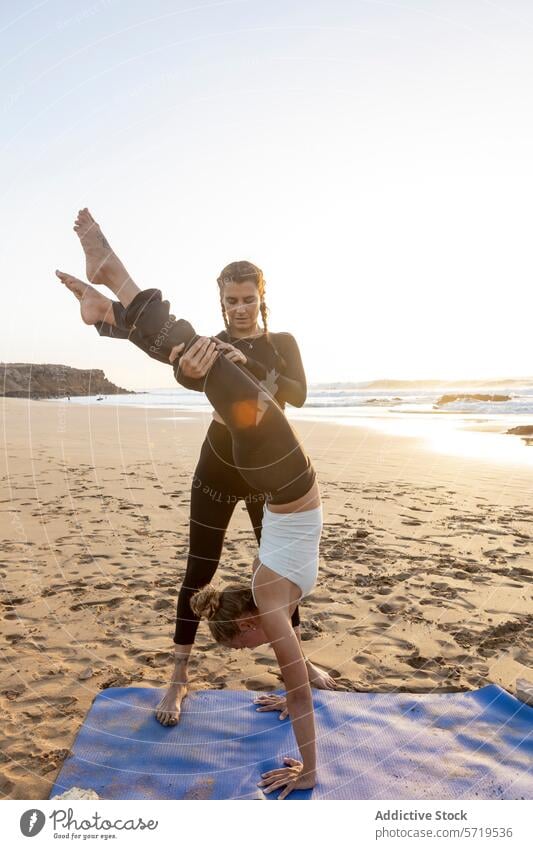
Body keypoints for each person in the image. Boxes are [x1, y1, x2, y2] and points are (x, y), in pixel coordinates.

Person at [56, 209, 326, 797]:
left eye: (247, 299)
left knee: (218, 371)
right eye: (230, 300)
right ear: (223, 301)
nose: (238, 308)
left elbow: (296, 395)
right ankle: (113, 294)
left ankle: (111, 305)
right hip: (237, 461)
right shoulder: (216, 343)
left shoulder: (279, 343)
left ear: (261, 298)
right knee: (198, 565)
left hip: (269, 465)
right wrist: (198, 368)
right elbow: (187, 373)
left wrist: (241, 368)